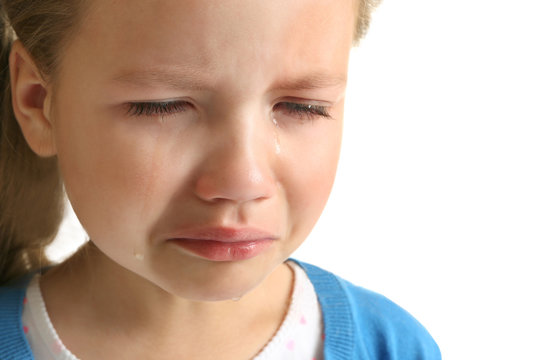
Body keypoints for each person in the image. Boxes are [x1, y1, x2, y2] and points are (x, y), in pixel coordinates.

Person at [0, 0, 441, 359]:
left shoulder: (393, 347)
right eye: (165, 106)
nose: (242, 180)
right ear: (39, 102)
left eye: (301, 107)